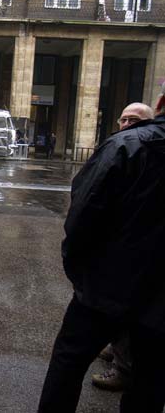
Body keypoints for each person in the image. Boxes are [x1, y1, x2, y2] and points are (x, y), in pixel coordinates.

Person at [38, 88, 165, 413]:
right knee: (150, 380)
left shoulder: (125, 145)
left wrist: (81, 273)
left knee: (69, 361)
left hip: (107, 286)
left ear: (160, 104)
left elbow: (81, 214)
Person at [91, 101, 154, 392]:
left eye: (135, 120)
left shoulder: (150, 154)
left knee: (133, 308)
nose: (127, 124)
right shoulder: (118, 148)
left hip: (139, 249)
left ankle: (124, 367)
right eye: (124, 119)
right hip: (117, 247)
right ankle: (117, 347)